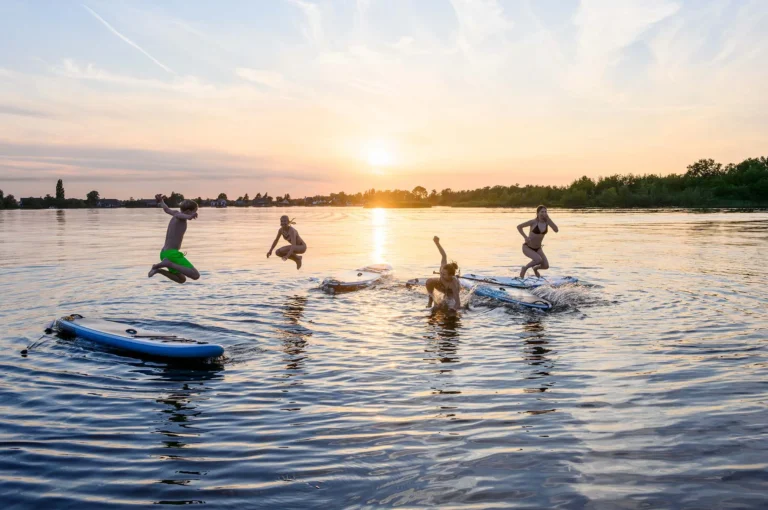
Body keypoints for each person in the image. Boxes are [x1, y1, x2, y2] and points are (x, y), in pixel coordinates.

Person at [148, 194, 201, 283]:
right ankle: (168, 264)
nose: (195, 213)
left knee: (181, 279)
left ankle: (158, 270)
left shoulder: (175, 213)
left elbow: (166, 209)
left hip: (163, 253)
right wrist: (190, 216)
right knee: (195, 275)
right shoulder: (181, 217)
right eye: (194, 211)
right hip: (171, 254)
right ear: (188, 211)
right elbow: (183, 216)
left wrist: (161, 201)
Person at [517, 205, 559, 278]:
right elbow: (519, 227)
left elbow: (556, 230)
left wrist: (549, 219)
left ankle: (535, 269)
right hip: (527, 247)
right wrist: (525, 237)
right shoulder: (533, 222)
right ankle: (525, 268)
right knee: (538, 259)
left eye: (545, 212)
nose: (544, 213)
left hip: (538, 249)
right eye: (542, 212)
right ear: (537, 213)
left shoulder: (547, 222)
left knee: (546, 266)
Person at [425, 236, 461, 312]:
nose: (441, 275)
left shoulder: (453, 284)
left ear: (450, 275)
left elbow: (458, 303)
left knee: (447, 302)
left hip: (450, 291)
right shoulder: (443, 268)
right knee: (429, 282)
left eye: (444, 274)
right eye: (441, 273)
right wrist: (437, 243)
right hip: (441, 285)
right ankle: (431, 299)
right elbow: (444, 255)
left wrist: (453, 309)